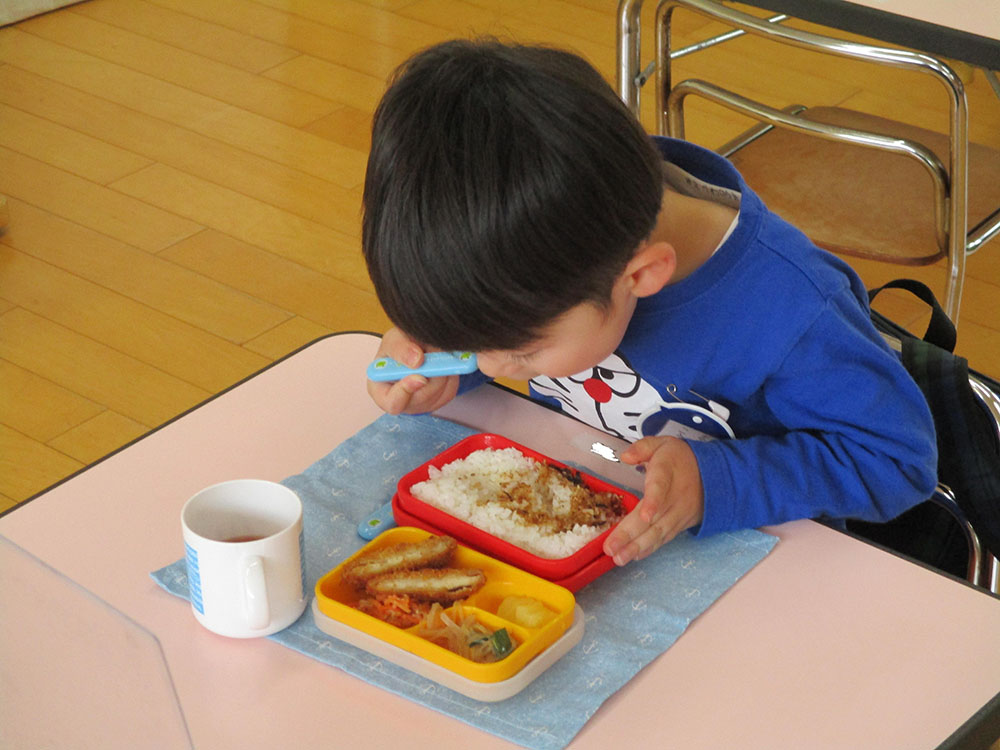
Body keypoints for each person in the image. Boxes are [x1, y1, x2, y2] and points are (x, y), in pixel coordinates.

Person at [362, 38, 937, 568]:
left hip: (759, 567)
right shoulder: (568, 244)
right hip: (586, 518)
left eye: (517, 350)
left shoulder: (792, 310)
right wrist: (441, 361)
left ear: (642, 274)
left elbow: (898, 461)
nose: (486, 365)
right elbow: (494, 337)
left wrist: (715, 483)